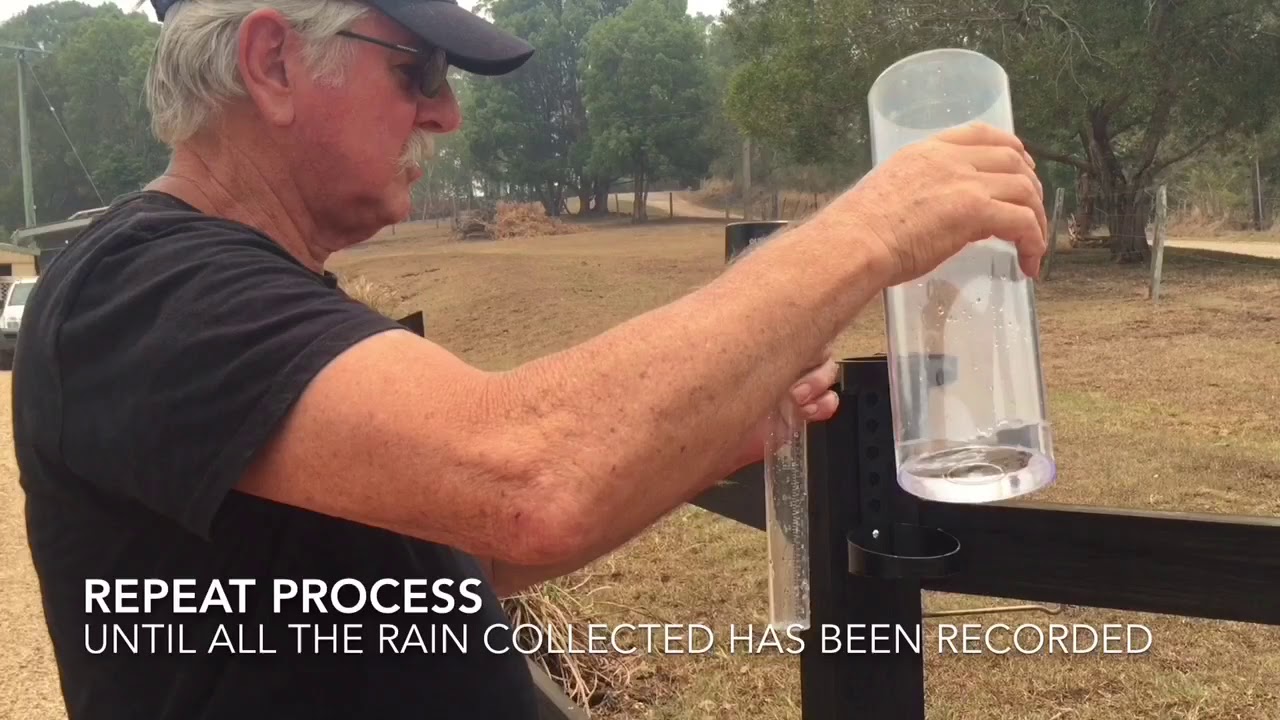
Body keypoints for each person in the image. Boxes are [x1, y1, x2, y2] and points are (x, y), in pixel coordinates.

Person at [11, 0, 1048, 717]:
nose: (444, 112)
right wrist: (869, 229)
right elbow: (527, 477)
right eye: (414, 69)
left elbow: (468, 558)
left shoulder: (242, 293)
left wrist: (701, 442)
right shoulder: (144, 292)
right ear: (273, 62)